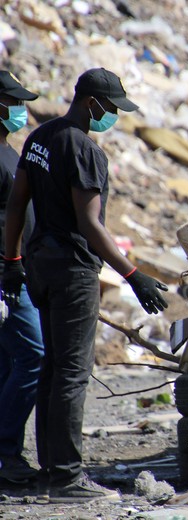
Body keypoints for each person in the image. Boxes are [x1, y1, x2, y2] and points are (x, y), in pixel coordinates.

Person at [2, 67, 169, 503]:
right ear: (93, 103)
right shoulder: (84, 150)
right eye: (110, 109)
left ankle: (51, 471)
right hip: (73, 270)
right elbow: (89, 224)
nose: (111, 116)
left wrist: (13, 260)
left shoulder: (39, 138)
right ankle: (68, 478)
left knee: (53, 371)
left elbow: (17, 203)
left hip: (39, 265)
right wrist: (134, 276)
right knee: (72, 375)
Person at [0, 71, 44, 485]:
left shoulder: (10, 152)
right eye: (14, 103)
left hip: (19, 272)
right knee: (34, 356)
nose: (20, 111)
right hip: (6, 278)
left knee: (9, 361)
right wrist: (9, 263)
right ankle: (6, 451)